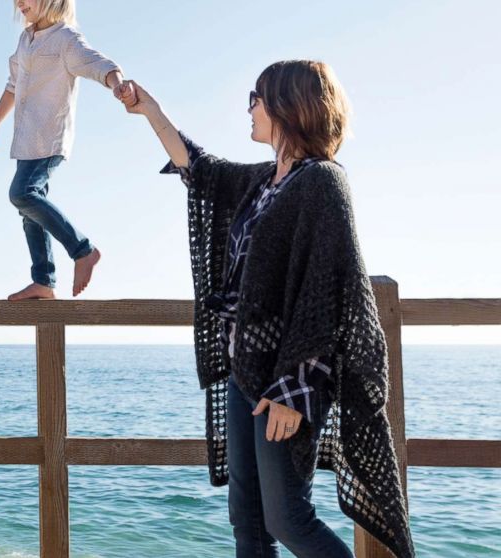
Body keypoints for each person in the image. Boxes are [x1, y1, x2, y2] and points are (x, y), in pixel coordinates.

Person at [123, 61, 415, 558]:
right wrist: (149, 110)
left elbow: (328, 292)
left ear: (289, 106)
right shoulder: (264, 182)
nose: (250, 107)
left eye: (256, 98)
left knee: (289, 520)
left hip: (287, 383)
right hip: (246, 372)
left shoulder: (321, 183)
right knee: (249, 521)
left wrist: (293, 389)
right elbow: (200, 170)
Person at [0, 0, 135, 300]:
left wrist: (118, 84)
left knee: (22, 194)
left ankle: (83, 250)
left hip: (49, 136)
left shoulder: (65, 38)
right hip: (25, 140)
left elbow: (97, 63)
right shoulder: (25, 40)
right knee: (30, 212)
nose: (19, 3)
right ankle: (44, 281)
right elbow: (13, 86)